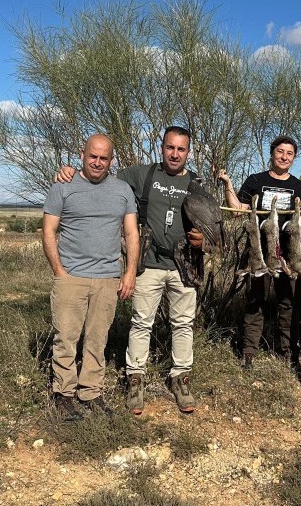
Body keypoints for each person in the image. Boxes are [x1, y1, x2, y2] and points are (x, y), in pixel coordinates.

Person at [55, 126, 203, 415]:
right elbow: (99, 177)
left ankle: (181, 378)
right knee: (141, 323)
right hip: (149, 264)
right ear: (162, 148)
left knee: (183, 324)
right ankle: (136, 379)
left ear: (188, 152)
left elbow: (212, 228)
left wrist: (203, 240)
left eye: (181, 149)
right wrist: (70, 172)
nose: (175, 154)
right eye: (170, 148)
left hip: (185, 266)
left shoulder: (197, 184)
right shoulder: (141, 175)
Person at [42, 134, 139, 421]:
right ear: (82, 154)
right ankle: (64, 394)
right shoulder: (63, 185)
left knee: (98, 340)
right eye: (92, 156)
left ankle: (91, 392)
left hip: (107, 278)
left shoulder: (122, 190)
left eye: (104, 158)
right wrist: (59, 272)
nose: (97, 162)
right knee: (66, 338)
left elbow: (132, 233)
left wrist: (129, 272)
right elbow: (48, 231)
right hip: (71, 276)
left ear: (112, 160)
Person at [220, 136, 301, 369]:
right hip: (258, 253)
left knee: (287, 302)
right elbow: (237, 211)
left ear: (294, 158)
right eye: (280, 152)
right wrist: (227, 185)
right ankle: (249, 351)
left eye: (289, 153)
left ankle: (287, 351)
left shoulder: (299, 187)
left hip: (287, 256)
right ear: (272, 154)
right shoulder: (255, 181)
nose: (284, 157)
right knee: (255, 301)